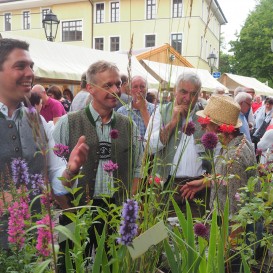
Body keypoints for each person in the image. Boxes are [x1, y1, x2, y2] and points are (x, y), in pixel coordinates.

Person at [0, 38, 89, 249]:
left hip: (35, 244)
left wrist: (71, 170)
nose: (30, 72)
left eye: (31, 66)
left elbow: (54, 173)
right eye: (20, 66)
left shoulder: (35, 118)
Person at [52, 60, 142, 258]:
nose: (115, 90)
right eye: (107, 85)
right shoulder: (68, 122)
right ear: (91, 88)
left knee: (114, 264)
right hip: (75, 208)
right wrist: (67, 207)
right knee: (71, 264)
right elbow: (53, 172)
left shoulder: (129, 126)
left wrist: (129, 206)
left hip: (115, 209)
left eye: (118, 84)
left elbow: (137, 170)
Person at [180, 95, 257, 217]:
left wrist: (229, 236)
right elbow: (228, 180)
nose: (202, 127)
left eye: (206, 124)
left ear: (219, 128)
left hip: (231, 228)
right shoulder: (239, 142)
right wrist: (205, 182)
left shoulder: (233, 158)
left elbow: (237, 211)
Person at [144, 72, 208, 216]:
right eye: (183, 92)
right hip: (165, 185)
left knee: (193, 235)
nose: (187, 98)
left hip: (196, 188)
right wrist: (172, 123)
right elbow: (148, 147)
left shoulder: (205, 117)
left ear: (199, 95)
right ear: (175, 91)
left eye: (193, 94)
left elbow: (216, 153)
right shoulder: (161, 112)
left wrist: (205, 181)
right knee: (162, 233)